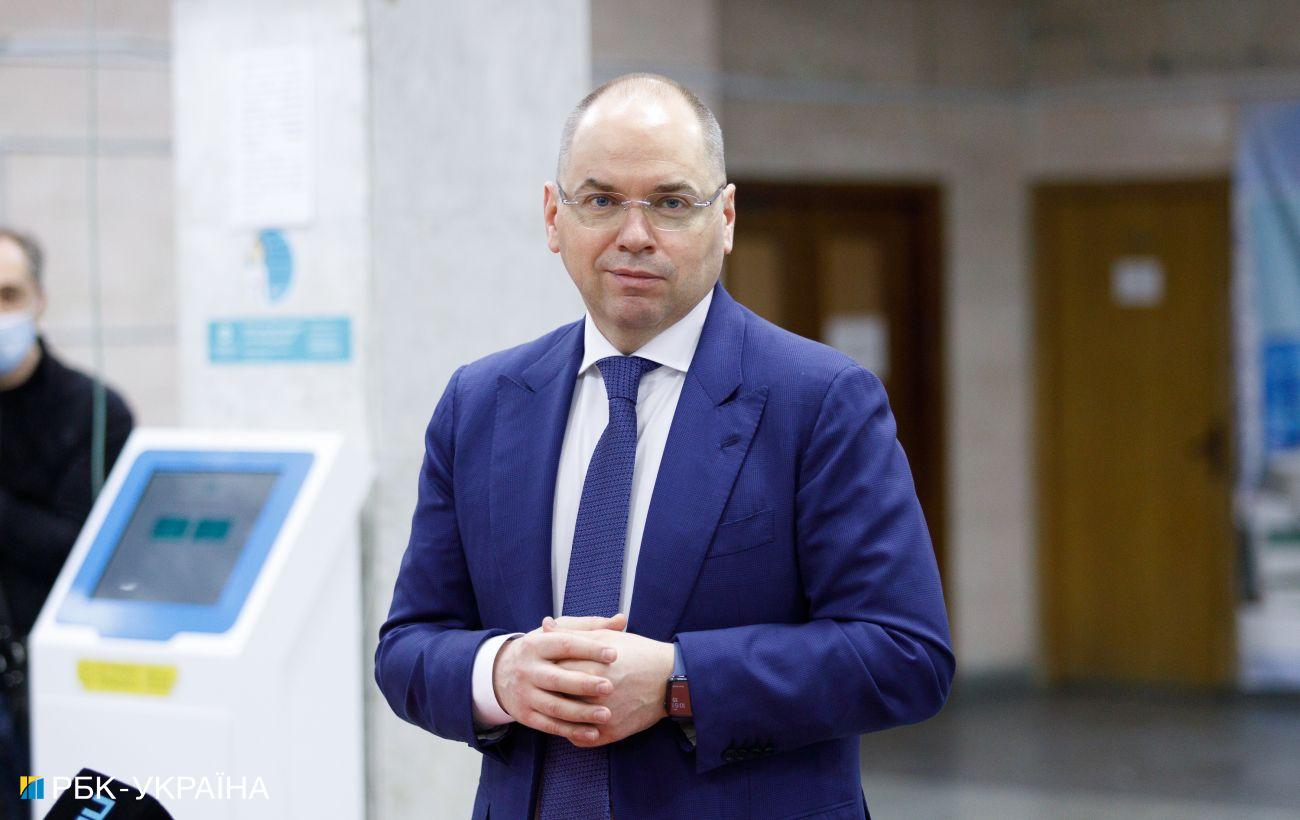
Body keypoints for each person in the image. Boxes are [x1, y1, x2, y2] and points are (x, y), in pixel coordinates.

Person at [375, 74, 953, 819]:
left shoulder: (820, 401)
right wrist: (500, 671)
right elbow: (409, 647)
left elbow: (905, 655)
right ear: (553, 216)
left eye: (672, 203)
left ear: (727, 218)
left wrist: (682, 682)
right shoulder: (480, 403)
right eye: (600, 200)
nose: (634, 234)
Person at [0, 227, 134, 815]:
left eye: (8, 295)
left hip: (47, 690)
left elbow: (82, 551)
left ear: (39, 300)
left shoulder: (93, 411)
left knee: (37, 799)